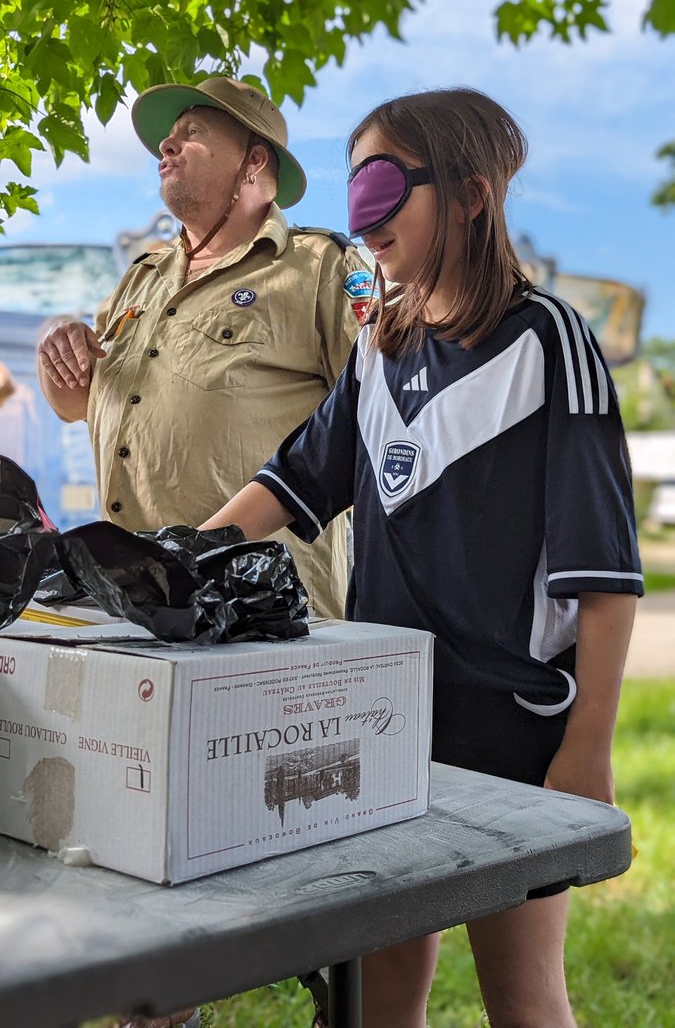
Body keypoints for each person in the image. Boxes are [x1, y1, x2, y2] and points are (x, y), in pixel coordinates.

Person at [198, 87, 643, 1028]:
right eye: (355, 189)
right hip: (384, 724)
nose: (365, 219)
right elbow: (293, 482)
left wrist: (587, 748)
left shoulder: (549, 343)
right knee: (378, 994)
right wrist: (173, 559)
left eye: (384, 188)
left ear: (471, 196)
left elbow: (601, 573)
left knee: (520, 995)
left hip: (509, 737)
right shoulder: (377, 346)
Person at [37, 75, 372, 624]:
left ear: (253, 161)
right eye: (169, 136)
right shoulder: (141, 278)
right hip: (135, 604)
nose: (166, 147)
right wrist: (60, 349)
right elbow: (73, 404)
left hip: (264, 613)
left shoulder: (320, 268)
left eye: (191, 133)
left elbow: (376, 419)